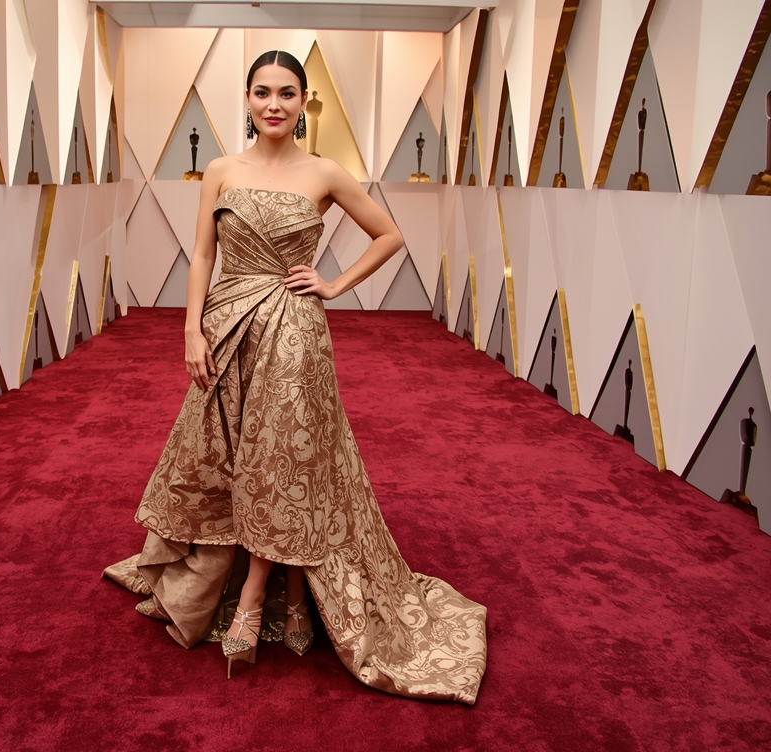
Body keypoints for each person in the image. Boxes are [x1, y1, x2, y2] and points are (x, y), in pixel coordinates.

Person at [103, 51, 487, 704]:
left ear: (303, 102)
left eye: (286, 93)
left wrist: (333, 283)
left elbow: (389, 235)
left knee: (281, 461)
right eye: (261, 92)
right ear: (247, 100)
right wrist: (191, 327)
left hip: (295, 333)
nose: (273, 104)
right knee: (225, 452)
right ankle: (223, 577)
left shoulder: (326, 172)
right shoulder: (222, 170)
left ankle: (253, 597)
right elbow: (201, 253)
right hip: (227, 325)